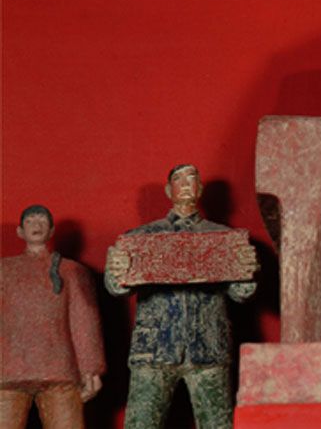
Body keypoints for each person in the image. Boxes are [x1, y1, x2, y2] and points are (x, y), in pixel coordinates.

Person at [105, 164, 257, 429]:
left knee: (217, 425)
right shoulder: (140, 238)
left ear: (200, 188)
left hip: (208, 347)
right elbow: (118, 288)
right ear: (168, 190)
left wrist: (247, 271)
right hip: (154, 349)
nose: (186, 184)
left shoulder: (222, 237)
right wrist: (116, 270)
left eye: (192, 179)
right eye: (179, 179)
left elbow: (241, 293)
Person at [0, 205, 105, 429]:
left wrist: (91, 368)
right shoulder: (3, 270)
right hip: (8, 369)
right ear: (20, 231)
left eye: (42, 221)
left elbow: (83, 319)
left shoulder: (71, 270)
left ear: (51, 230)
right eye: (30, 221)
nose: (36, 225)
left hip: (60, 368)